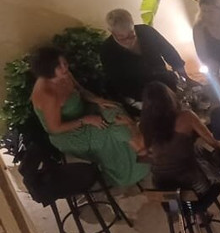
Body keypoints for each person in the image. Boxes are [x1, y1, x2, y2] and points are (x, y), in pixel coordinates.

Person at [28, 46, 149, 187]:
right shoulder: (47, 94)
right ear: (48, 71)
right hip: (69, 133)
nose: (65, 67)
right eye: (59, 66)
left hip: (84, 112)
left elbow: (81, 90)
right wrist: (86, 120)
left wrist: (98, 100)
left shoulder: (65, 74)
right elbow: (55, 128)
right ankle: (133, 167)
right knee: (111, 130)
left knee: (114, 109)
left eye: (64, 63)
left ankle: (140, 148)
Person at [139, 81, 220, 200]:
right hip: (194, 188)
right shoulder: (186, 117)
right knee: (209, 153)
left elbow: (146, 153)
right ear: (170, 98)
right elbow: (214, 142)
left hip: (162, 189)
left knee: (194, 150)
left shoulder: (143, 126)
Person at [99, 8, 188, 103]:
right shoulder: (107, 50)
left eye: (131, 35)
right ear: (111, 31)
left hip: (164, 80)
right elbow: (120, 83)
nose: (128, 40)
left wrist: (184, 76)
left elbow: (169, 52)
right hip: (139, 94)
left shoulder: (146, 31)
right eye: (121, 37)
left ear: (133, 24)